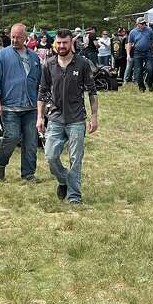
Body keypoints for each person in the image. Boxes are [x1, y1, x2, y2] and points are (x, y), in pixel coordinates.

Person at [38, 29, 98, 204]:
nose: (62, 46)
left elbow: (92, 92)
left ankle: (74, 196)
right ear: (55, 43)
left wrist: (94, 117)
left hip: (77, 119)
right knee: (50, 156)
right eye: (59, 42)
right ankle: (64, 180)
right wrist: (40, 117)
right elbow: (42, 92)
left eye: (65, 42)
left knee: (75, 159)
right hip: (55, 118)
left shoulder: (82, 64)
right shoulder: (48, 64)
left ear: (71, 42)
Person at [0, 23, 42, 183]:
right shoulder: (2, 56)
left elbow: (40, 82)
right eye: (12, 36)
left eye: (18, 37)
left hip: (31, 107)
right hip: (10, 106)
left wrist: (42, 106)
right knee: (11, 137)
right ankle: (0, 166)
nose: (14, 40)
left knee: (31, 141)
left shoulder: (34, 57)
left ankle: (28, 174)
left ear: (26, 38)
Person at [128, 16, 153, 92]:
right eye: (142, 23)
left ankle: (149, 83)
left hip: (148, 52)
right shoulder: (133, 32)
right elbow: (130, 44)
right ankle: (141, 87)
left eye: (144, 23)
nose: (144, 24)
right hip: (137, 53)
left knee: (150, 68)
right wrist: (128, 55)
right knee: (138, 71)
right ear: (137, 24)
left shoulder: (149, 30)